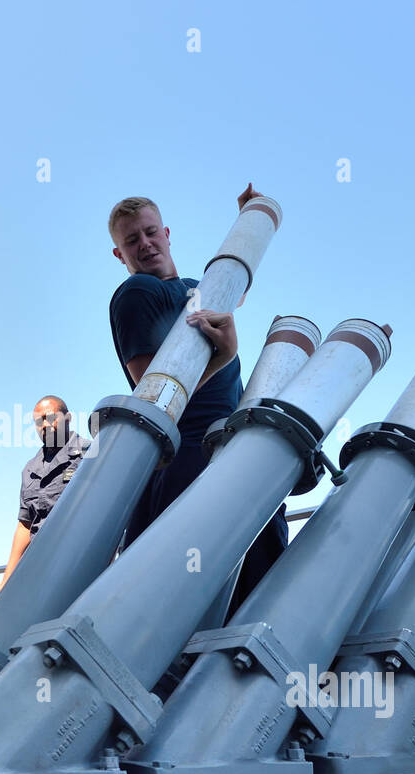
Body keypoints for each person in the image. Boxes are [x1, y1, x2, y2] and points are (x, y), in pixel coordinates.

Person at [108, 184, 288, 617]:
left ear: (167, 233)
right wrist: (223, 355)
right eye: (131, 240)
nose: (145, 244)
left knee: (253, 572)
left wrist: (249, 223)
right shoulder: (138, 296)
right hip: (189, 456)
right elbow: (158, 394)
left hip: (228, 447)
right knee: (188, 593)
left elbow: (234, 289)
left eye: (151, 232)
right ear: (119, 255)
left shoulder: (194, 288)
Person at [0, 395, 89, 599]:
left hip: (78, 563)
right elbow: (25, 525)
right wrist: (5, 580)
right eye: (38, 421)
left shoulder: (89, 454)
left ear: (68, 418)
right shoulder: (30, 469)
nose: (44, 425)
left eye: (50, 417)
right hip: (38, 566)